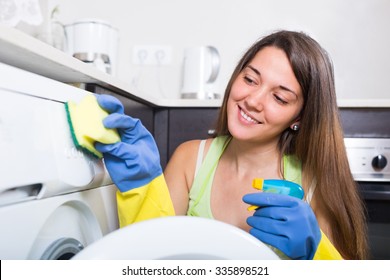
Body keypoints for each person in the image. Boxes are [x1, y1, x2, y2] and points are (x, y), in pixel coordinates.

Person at [94, 30, 368, 260]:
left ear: (298, 118)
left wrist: (315, 253)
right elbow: (151, 259)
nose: (253, 100)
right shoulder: (191, 160)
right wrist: (142, 188)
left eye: (280, 98)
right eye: (250, 79)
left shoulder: (313, 185)